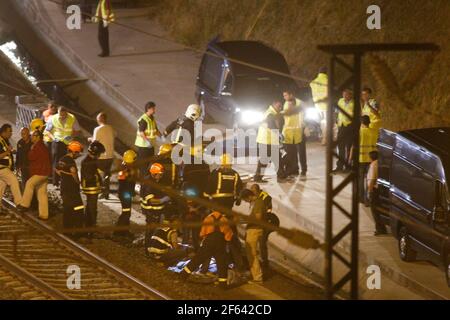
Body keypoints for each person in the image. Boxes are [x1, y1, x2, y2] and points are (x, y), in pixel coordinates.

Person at [205, 153, 244, 273]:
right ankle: (239, 266)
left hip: (216, 212)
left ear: (221, 163)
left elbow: (208, 191)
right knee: (232, 237)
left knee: (211, 238)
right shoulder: (236, 175)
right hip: (228, 212)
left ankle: (205, 267)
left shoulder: (215, 174)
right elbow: (239, 193)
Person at [180, 211, 233, 289]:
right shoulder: (225, 220)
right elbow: (229, 236)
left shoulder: (208, 218)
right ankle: (222, 285)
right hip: (220, 244)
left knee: (197, 259)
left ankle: (183, 275)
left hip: (209, 242)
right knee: (222, 264)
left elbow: (202, 233)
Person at [17, 130, 51, 220]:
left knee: (29, 184)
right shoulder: (43, 146)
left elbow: (31, 157)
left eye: (33, 136)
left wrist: (31, 149)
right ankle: (44, 215)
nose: (31, 137)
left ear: (38, 137)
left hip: (40, 173)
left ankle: (24, 205)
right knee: (41, 193)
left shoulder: (37, 146)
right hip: (45, 173)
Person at [45, 106, 81, 187]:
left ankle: (65, 180)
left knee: (67, 162)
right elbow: (47, 131)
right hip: (57, 143)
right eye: (60, 116)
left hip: (68, 143)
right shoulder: (53, 118)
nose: (62, 117)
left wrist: (71, 136)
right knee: (56, 162)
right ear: (58, 113)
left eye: (64, 116)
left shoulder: (72, 118)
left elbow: (78, 131)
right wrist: (54, 138)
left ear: (67, 113)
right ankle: (56, 182)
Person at [55, 141, 85, 238]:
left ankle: (67, 231)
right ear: (74, 152)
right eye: (78, 153)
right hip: (72, 190)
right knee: (79, 208)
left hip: (64, 188)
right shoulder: (71, 162)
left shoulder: (62, 159)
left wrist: (64, 176)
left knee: (67, 210)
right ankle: (78, 231)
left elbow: (57, 169)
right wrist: (78, 182)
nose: (78, 155)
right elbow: (74, 173)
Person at [141, 163, 171, 253]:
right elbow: (152, 201)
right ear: (154, 174)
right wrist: (163, 200)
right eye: (160, 174)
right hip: (150, 211)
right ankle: (147, 249)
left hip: (156, 211)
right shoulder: (149, 184)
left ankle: (150, 247)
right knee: (150, 230)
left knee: (153, 229)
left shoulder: (156, 180)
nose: (161, 176)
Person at [254, 99, 286, 182]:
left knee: (277, 157)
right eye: (279, 106)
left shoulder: (272, 113)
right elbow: (272, 126)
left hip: (268, 139)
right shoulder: (270, 114)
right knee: (266, 159)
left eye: (281, 106)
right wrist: (280, 135)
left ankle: (281, 175)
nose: (280, 108)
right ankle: (258, 177)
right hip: (266, 140)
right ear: (274, 104)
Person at [241, 189, 267, 283]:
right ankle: (255, 275)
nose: (245, 202)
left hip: (255, 230)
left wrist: (244, 220)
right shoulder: (257, 202)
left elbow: (258, 217)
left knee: (252, 254)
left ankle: (257, 278)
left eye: (245, 200)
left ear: (249, 196)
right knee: (252, 253)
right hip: (253, 229)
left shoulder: (258, 203)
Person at [350, 116, 377, 205]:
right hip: (371, 159)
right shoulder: (374, 132)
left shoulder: (359, 132)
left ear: (361, 123)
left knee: (360, 179)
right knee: (369, 179)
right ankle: (368, 199)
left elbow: (353, 146)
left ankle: (361, 198)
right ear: (369, 122)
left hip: (361, 159)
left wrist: (350, 158)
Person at [81, 141, 106, 236]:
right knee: (92, 208)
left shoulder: (88, 161)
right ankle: (90, 228)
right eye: (99, 154)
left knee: (90, 207)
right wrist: (99, 178)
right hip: (91, 188)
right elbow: (89, 177)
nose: (99, 156)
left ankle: (89, 226)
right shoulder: (89, 163)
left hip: (90, 188)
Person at [89, 112, 115, 199]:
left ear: (100, 119)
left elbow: (95, 142)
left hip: (102, 156)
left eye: (97, 118)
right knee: (106, 175)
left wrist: (90, 139)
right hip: (110, 155)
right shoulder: (111, 128)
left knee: (98, 174)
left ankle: (100, 191)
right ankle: (106, 193)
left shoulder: (97, 129)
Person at [281, 89, 307, 177]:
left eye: (286, 95)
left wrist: (304, 127)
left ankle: (304, 169)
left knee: (301, 152)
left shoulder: (300, 103)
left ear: (291, 95)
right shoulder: (286, 103)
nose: (284, 97)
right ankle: (295, 169)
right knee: (292, 152)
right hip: (290, 132)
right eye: (284, 96)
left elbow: (303, 116)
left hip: (299, 131)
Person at [114, 150, 138, 239]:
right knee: (126, 213)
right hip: (125, 194)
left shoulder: (126, 167)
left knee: (127, 212)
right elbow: (125, 183)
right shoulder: (125, 169)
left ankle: (124, 231)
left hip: (126, 193)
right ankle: (118, 232)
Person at [134, 102, 161, 178]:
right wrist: (147, 141)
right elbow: (141, 132)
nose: (154, 110)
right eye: (153, 108)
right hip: (143, 146)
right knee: (143, 165)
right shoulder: (144, 119)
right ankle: (143, 180)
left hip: (150, 146)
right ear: (148, 109)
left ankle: (148, 179)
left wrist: (162, 136)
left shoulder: (152, 118)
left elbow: (155, 130)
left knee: (149, 163)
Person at [0, 124, 22, 213]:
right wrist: (8, 151)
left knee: (1, 187)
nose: (11, 133)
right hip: (2, 168)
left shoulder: (5, 140)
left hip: (4, 168)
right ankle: (19, 203)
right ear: (4, 132)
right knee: (14, 180)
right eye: (10, 131)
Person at [250, 184, 272, 268]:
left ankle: (265, 261)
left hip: (264, 223)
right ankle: (257, 259)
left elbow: (268, 209)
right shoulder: (255, 197)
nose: (252, 193)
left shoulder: (265, 197)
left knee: (262, 242)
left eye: (253, 191)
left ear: (257, 190)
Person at [334, 89, 354, 172]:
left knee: (348, 147)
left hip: (350, 126)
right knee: (340, 146)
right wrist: (335, 119)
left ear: (350, 95)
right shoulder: (340, 101)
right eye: (343, 94)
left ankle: (348, 166)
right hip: (341, 126)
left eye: (346, 95)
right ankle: (339, 166)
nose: (344, 96)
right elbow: (337, 111)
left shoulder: (354, 103)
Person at [367, 151, 386, 236]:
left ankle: (380, 229)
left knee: (375, 211)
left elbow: (372, 179)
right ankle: (382, 227)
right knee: (379, 209)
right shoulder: (380, 163)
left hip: (374, 190)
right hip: (380, 189)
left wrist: (369, 191)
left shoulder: (373, 165)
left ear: (371, 157)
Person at [310, 67, 328, 145]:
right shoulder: (327, 81)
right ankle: (325, 139)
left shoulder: (313, 82)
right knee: (327, 123)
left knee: (322, 122)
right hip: (327, 105)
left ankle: (324, 138)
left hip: (317, 105)